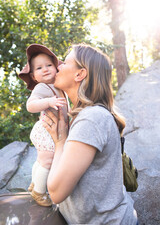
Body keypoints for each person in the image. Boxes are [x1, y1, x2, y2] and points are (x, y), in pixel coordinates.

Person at [42, 43, 138, 224]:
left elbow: (56, 193)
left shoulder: (91, 119)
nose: (58, 65)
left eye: (65, 61)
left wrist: (60, 141)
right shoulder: (87, 116)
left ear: (80, 74)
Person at [19, 44, 68, 207]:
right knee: (48, 161)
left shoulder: (59, 86)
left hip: (49, 130)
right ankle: (40, 192)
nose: (45, 69)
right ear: (33, 76)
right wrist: (48, 102)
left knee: (42, 159)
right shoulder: (42, 87)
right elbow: (30, 106)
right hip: (45, 130)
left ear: (56, 67)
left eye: (49, 65)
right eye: (39, 68)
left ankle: (34, 184)